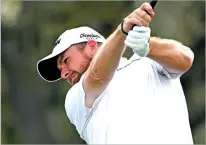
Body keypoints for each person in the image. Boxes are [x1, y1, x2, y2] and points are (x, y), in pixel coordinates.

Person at [37, 2, 194, 144]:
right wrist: (123, 30)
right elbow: (98, 75)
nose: (63, 74)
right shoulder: (75, 99)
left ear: (91, 46)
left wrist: (147, 45)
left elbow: (185, 59)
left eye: (65, 61)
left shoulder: (150, 64)